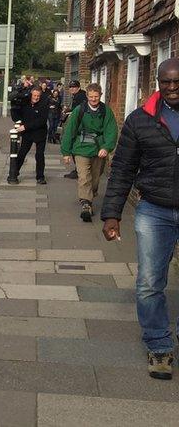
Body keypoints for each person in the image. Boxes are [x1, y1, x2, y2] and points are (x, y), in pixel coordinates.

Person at [101, 58, 179, 380]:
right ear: (157, 83)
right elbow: (122, 169)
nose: (172, 88)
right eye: (166, 82)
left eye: (177, 82)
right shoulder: (140, 120)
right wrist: (111, 214)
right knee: (149, 282)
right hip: (154, 211)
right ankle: (159, 346)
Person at [61, 83, 118, 222]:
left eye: (96, 97)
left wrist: (106, 147)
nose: (93, 99)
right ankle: (86, 204)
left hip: (98, 149)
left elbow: (111, 131)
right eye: (91, 96)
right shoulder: (79, 110)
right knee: (84, 176)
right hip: (81, 148)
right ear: (87, 96)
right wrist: (66, 152)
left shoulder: (106, 111)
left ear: (101, 95)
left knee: (95, 178)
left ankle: (89, 196)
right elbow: (70, 131)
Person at [8, 85, 50, 185]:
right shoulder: (25, 103)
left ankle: (40, 177)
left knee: (39, 155)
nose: (36, 98)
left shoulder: (44, 104)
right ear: (31, 94)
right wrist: (13, 106)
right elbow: (16, 117)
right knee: (22, 153)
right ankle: (14, 173)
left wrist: (25, 127)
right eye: (34, 95)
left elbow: (42, 121)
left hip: (40, 133)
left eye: (38, 96)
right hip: (28, 134)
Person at [62, 80, 88, 178]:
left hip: (81, 126)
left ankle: (79, 170)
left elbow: (80, 110)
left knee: (76, 146)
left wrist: (69, 112)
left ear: (78, 87)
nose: (72, 89)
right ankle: (78, 169)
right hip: (80, 125)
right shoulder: (78, 95)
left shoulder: (80, 96)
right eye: (71, 87)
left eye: (74, 87)